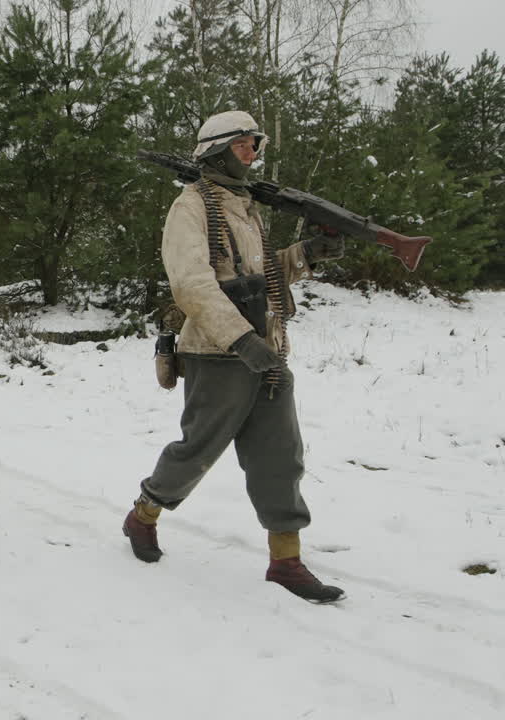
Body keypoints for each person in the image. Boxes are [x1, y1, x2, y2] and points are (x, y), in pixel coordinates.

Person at [123, 110, 347, 603]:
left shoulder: (246, 207)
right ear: (220, 149)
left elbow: (266, 274)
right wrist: (240, 340)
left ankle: (286, 560)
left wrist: (310, 251)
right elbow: (191, 282)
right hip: (217, 352)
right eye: (245, 144)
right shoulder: (191, 205)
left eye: (255, 144)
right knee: (197, 450)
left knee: (281, 455)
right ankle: (143, 515)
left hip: (266, 347)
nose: (254, 153)